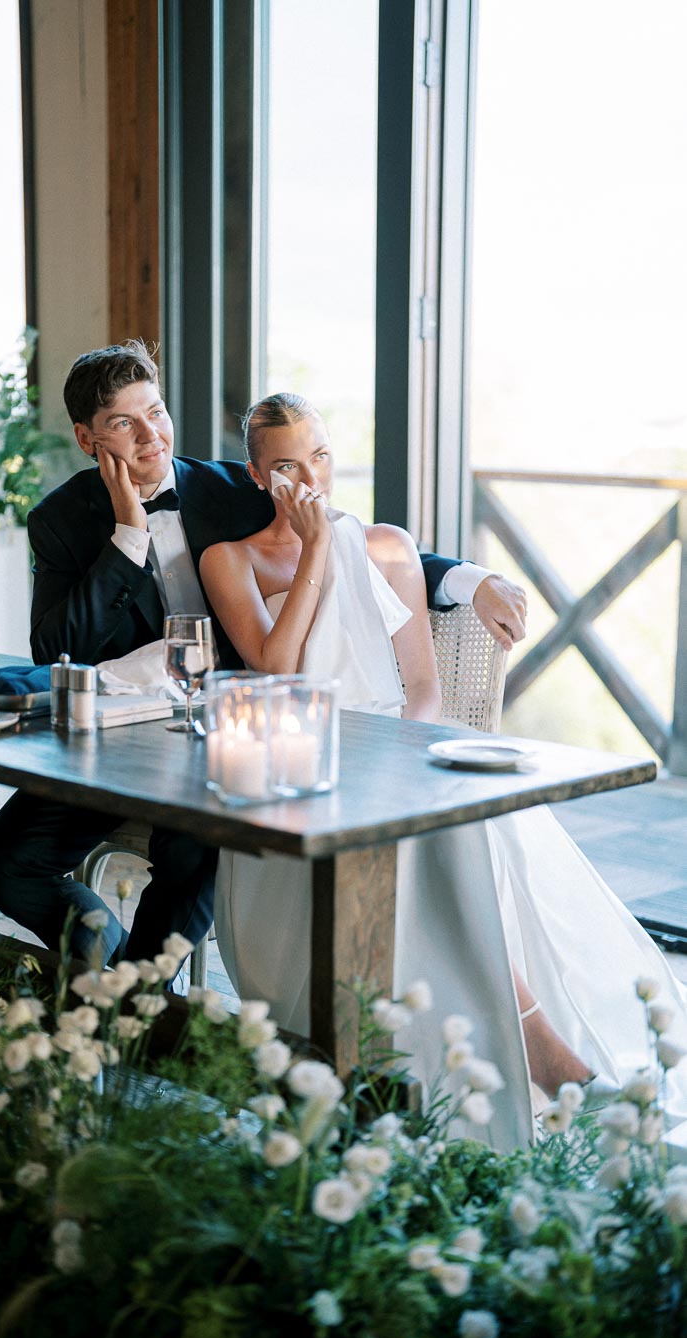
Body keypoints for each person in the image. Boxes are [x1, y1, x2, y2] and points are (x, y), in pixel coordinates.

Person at [200, 392, 687, 1151]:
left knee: (463, 824)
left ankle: (533, 1050)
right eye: (290, 466)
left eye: (322, 456)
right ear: (262, 477)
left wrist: (401, 757)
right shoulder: (227, 560)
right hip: (303, 771)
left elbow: (421, 690)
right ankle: (548, 1059)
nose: (313, 478)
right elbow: (276, 669)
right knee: (437, 839)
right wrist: (318, 554)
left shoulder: (389, 547)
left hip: (395, 751)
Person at [0, 342, 526, 972]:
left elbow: (344, 544)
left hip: (237, 739)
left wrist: (467, 580)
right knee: (2, 861)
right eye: (124, 423)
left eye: (155, 411)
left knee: (193, 851)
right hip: (122, 740)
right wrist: (126, 536)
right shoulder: (60, 520)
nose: (151, 435)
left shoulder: (240, 488)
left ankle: (145, 1003)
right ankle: (115, 976)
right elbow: (55, 650)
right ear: (87, 439)